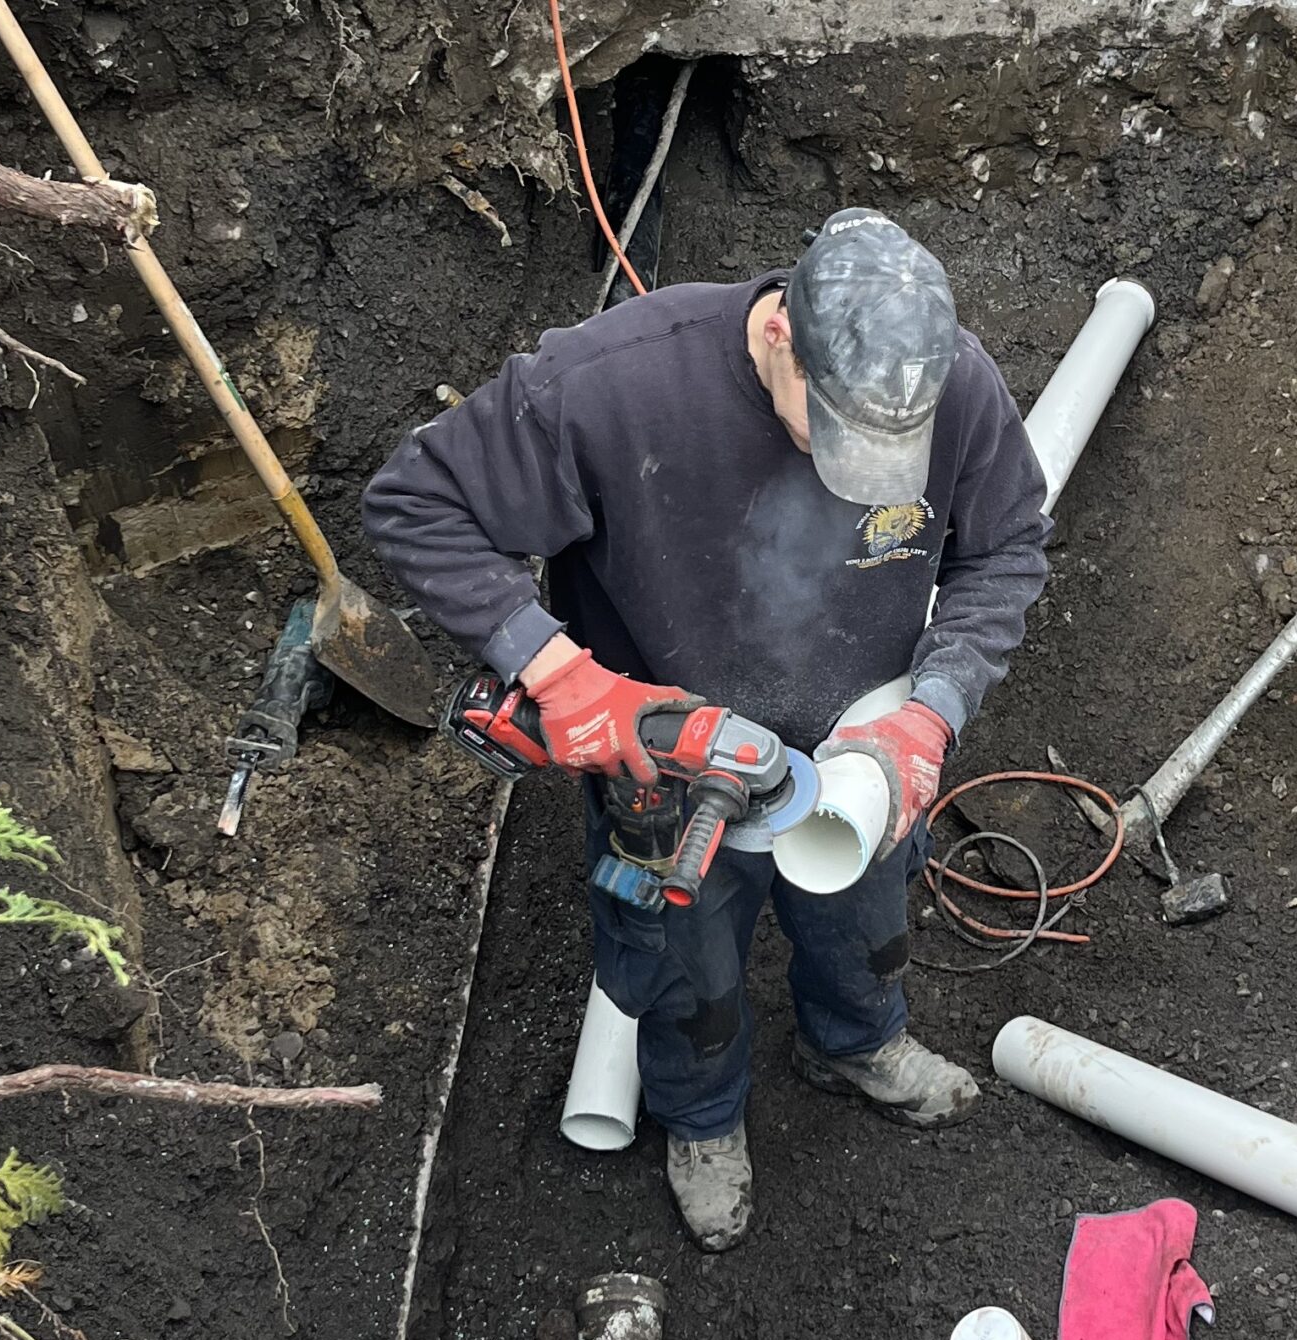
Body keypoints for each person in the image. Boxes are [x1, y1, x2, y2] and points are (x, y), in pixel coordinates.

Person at [363, 208, 1051, 1251]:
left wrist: (928, 713)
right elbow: (417, 503)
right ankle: (703, 1121)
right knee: (688, 967)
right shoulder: (615, 387)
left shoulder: (950, 384)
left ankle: (857, 1044)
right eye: (829, 429)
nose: (849, 464)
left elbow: (1003, 553)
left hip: (861, 745)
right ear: (779, 333)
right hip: (674, 763)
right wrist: (562, 675)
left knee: (865, 921)